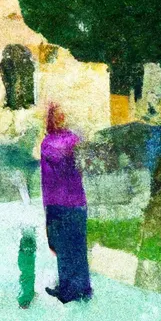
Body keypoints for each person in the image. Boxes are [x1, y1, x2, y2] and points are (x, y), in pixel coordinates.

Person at [40, 102, 92, 303]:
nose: (61, 118)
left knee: (65, 247)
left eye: (61, 115)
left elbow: (57, 155)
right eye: (58, 115)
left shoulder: (50, 143)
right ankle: (79, 288)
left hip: (61, 203)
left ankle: (70, 290)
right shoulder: (72, 140)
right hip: (72, 202)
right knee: (74, 246)